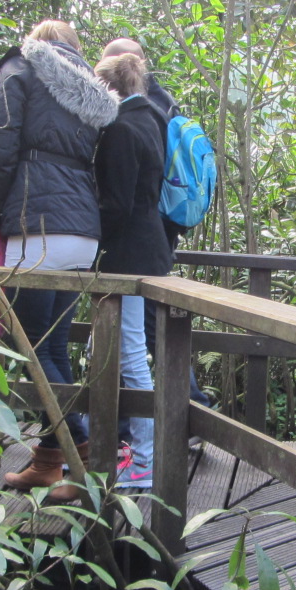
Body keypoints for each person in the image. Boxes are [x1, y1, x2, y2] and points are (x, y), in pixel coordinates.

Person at [0, 19, 119, 491]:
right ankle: (48, 462)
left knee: (30, 347)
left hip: (37, 224)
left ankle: (83, 447)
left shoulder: (21, 69)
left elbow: (0, 148)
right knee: (53, 346)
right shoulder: (92, 89)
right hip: (82, 230)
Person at [98, 36, 214, 410]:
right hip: (159, 234)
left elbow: (122, 195)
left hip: (141, 240)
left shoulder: (134, 116)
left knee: (144, 333)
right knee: (138, 333)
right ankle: (123, 423)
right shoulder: (161, 107)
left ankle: (190, 409)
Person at [92, 51, 172, 491]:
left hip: (128, 253)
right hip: (149, 246)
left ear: (108, 88)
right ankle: (133, 450)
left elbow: (117, 204)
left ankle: (143, 461)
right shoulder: (152, 119)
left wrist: (94, 237)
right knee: (123, 352)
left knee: (130, 355)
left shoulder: (121, 128)